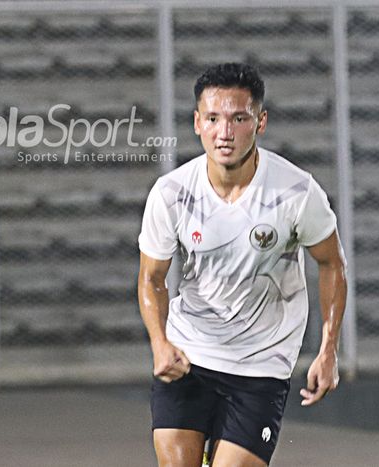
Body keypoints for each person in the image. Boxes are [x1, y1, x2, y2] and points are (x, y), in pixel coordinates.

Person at [137, 62, 347, 467]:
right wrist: (159, 342)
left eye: (238, 118)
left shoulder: (296, 192)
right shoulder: (172, 194)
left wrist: (328, 350)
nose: (225, 132)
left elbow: (332, 264)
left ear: (261, 122)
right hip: (191, 355)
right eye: (213, 119)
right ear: (197, 123)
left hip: (261, 364)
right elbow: (152, 278)